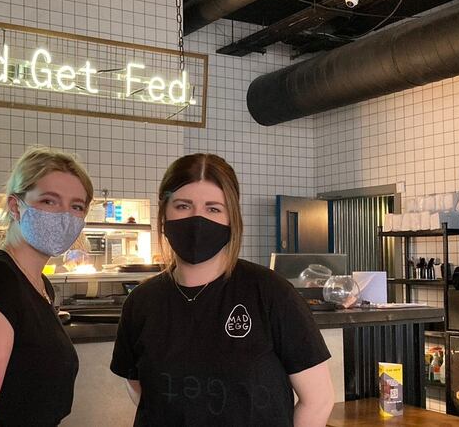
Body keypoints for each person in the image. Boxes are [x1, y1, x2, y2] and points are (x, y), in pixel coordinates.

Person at [111, 153, 334, 426]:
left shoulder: (270, 292)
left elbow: (318, 399)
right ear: (164, 214)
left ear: (232, 219)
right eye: (183, 206)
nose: (197, 218)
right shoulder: (142, 302)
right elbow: (140, 388)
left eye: (213, 208)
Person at [0, 146, 93, 426]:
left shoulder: (39, 284)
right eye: (49, 201)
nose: (64, 216)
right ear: (15, 207)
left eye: (76, 206)